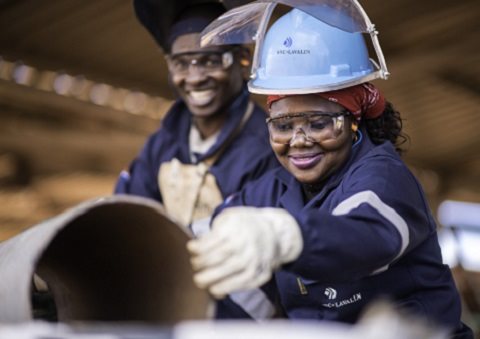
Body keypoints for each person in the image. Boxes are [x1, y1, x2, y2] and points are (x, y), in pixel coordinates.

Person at [187, 5, 473, 338]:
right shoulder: (274, 190)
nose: (299, 141)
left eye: (320, 123)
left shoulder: (384, 178)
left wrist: (286, 236)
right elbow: (193, 241)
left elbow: (361, 237)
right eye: (282, 126)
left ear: (354, 121)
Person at [114, 0, 280, 319]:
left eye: (209, 60)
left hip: (241, 310)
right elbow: (128, 219)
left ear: (242, 62)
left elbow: (261, 274)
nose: (195, 77)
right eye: (181, 63)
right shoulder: (162, 144)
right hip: (165, 291)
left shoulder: (265, 147)